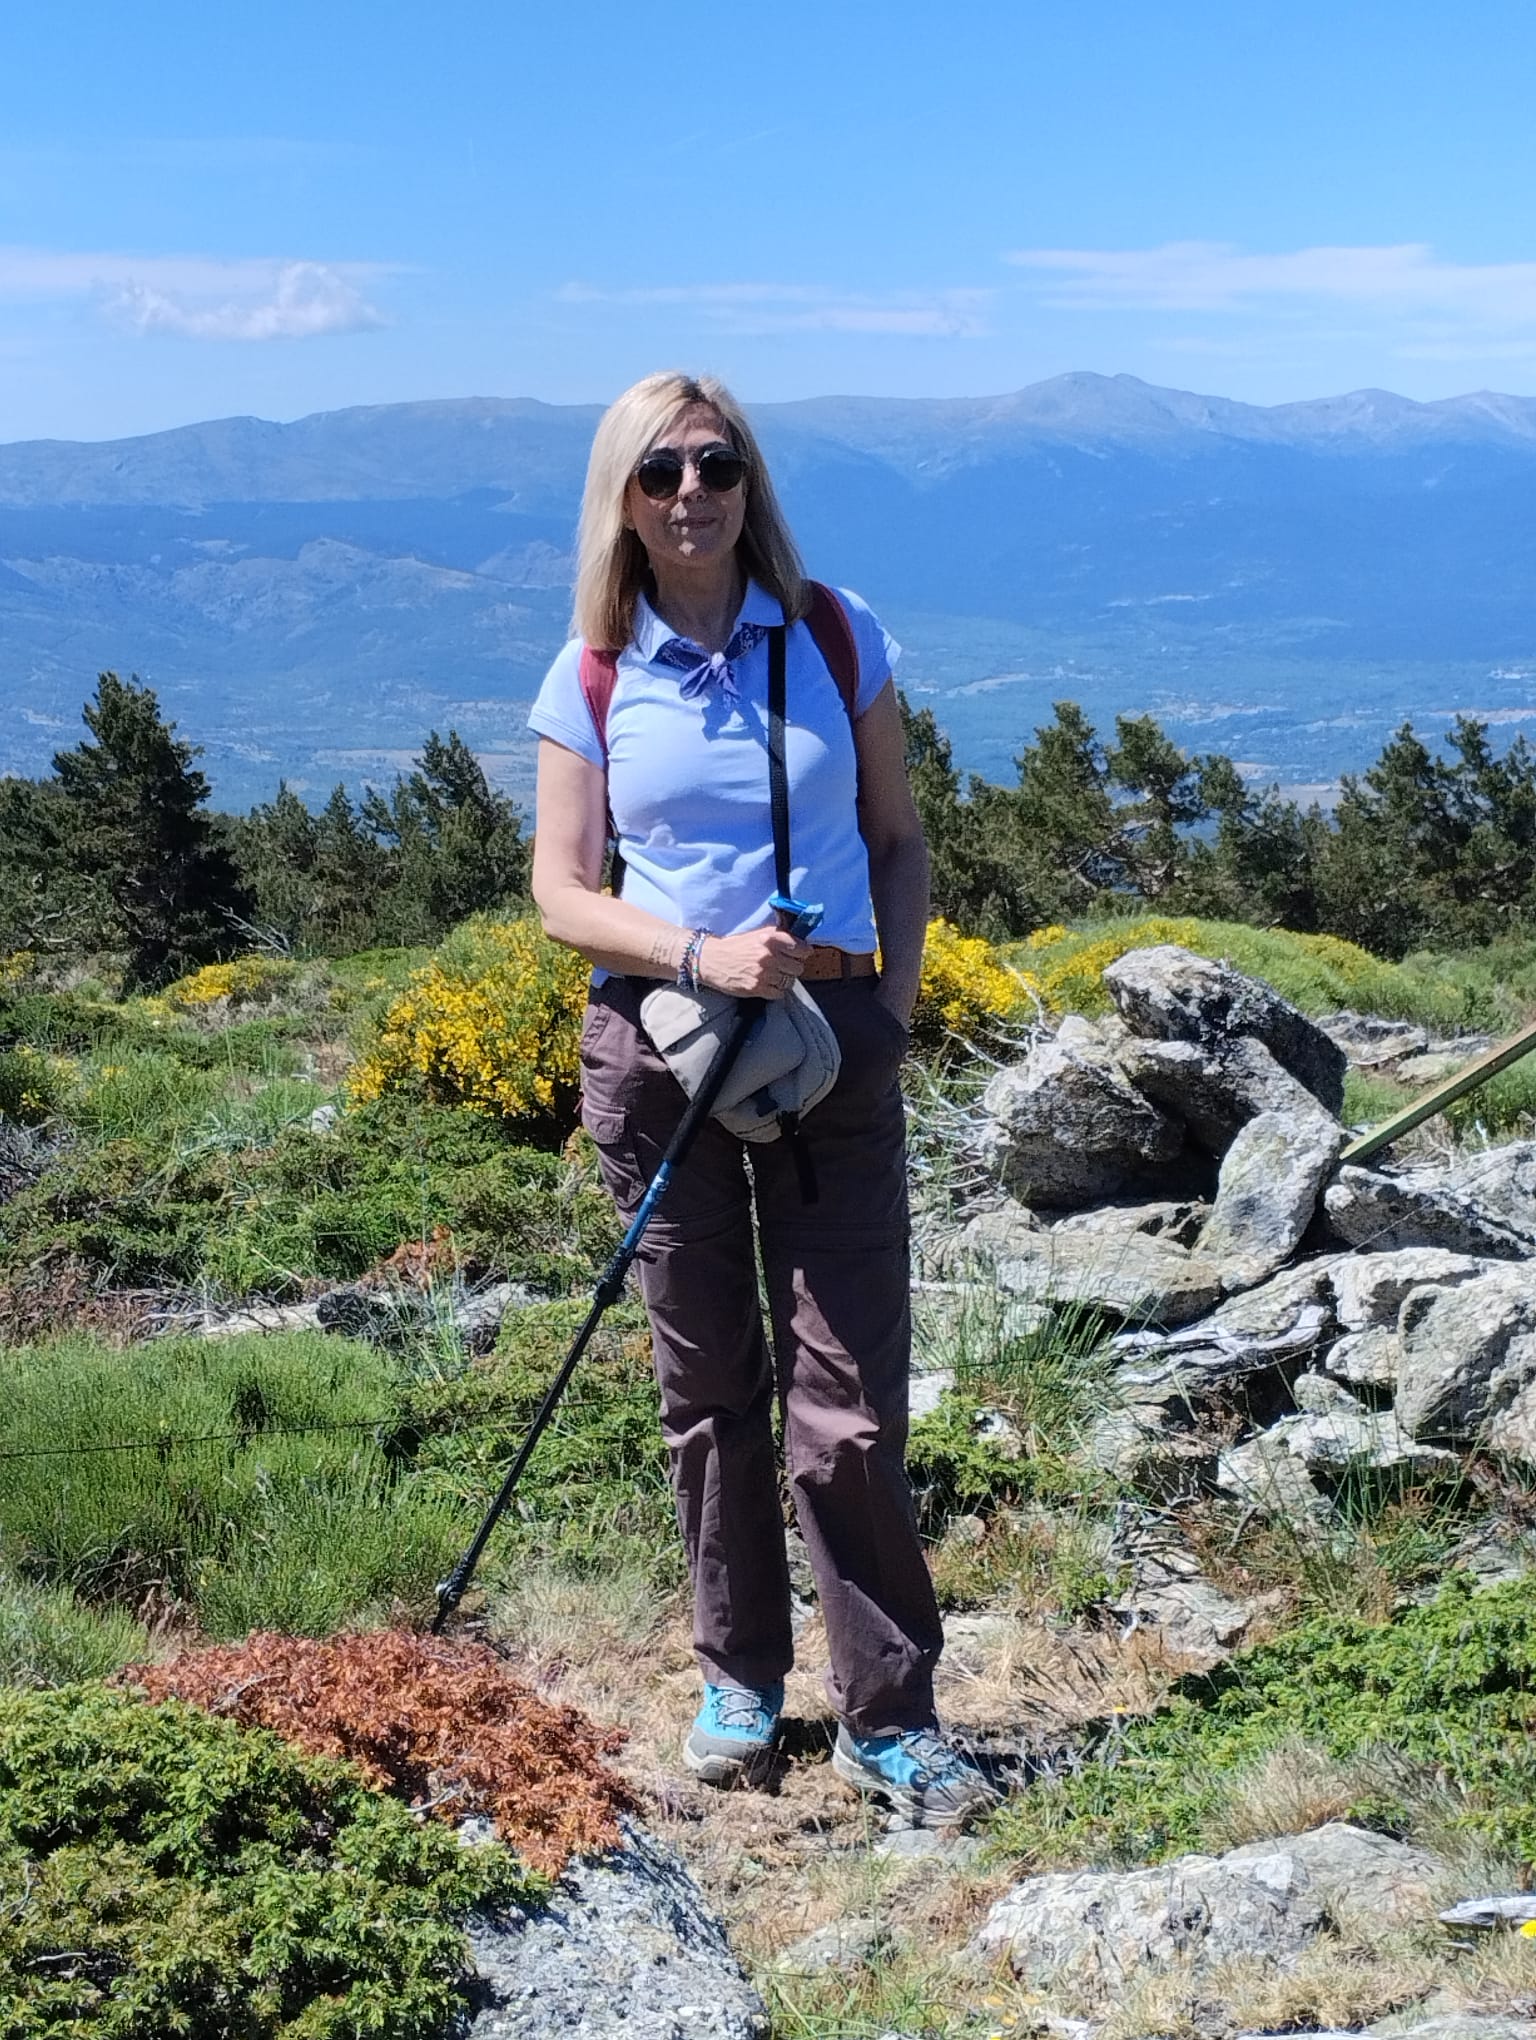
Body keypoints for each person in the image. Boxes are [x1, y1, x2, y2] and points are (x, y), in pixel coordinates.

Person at [528, 370, 995, 1827]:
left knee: (848, 1399)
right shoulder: (593, 672)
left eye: (717, 464)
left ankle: (888, 1712)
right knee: (708, 1384)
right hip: (660, 1046)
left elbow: (898, 839)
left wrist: (889, 1012)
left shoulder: (836, 633)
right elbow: (560, 894)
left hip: (831, 1040)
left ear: (750, 481)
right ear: (622, 496)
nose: (692, 493)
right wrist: (698, 954)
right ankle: (740, 1674)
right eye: (661, 470)